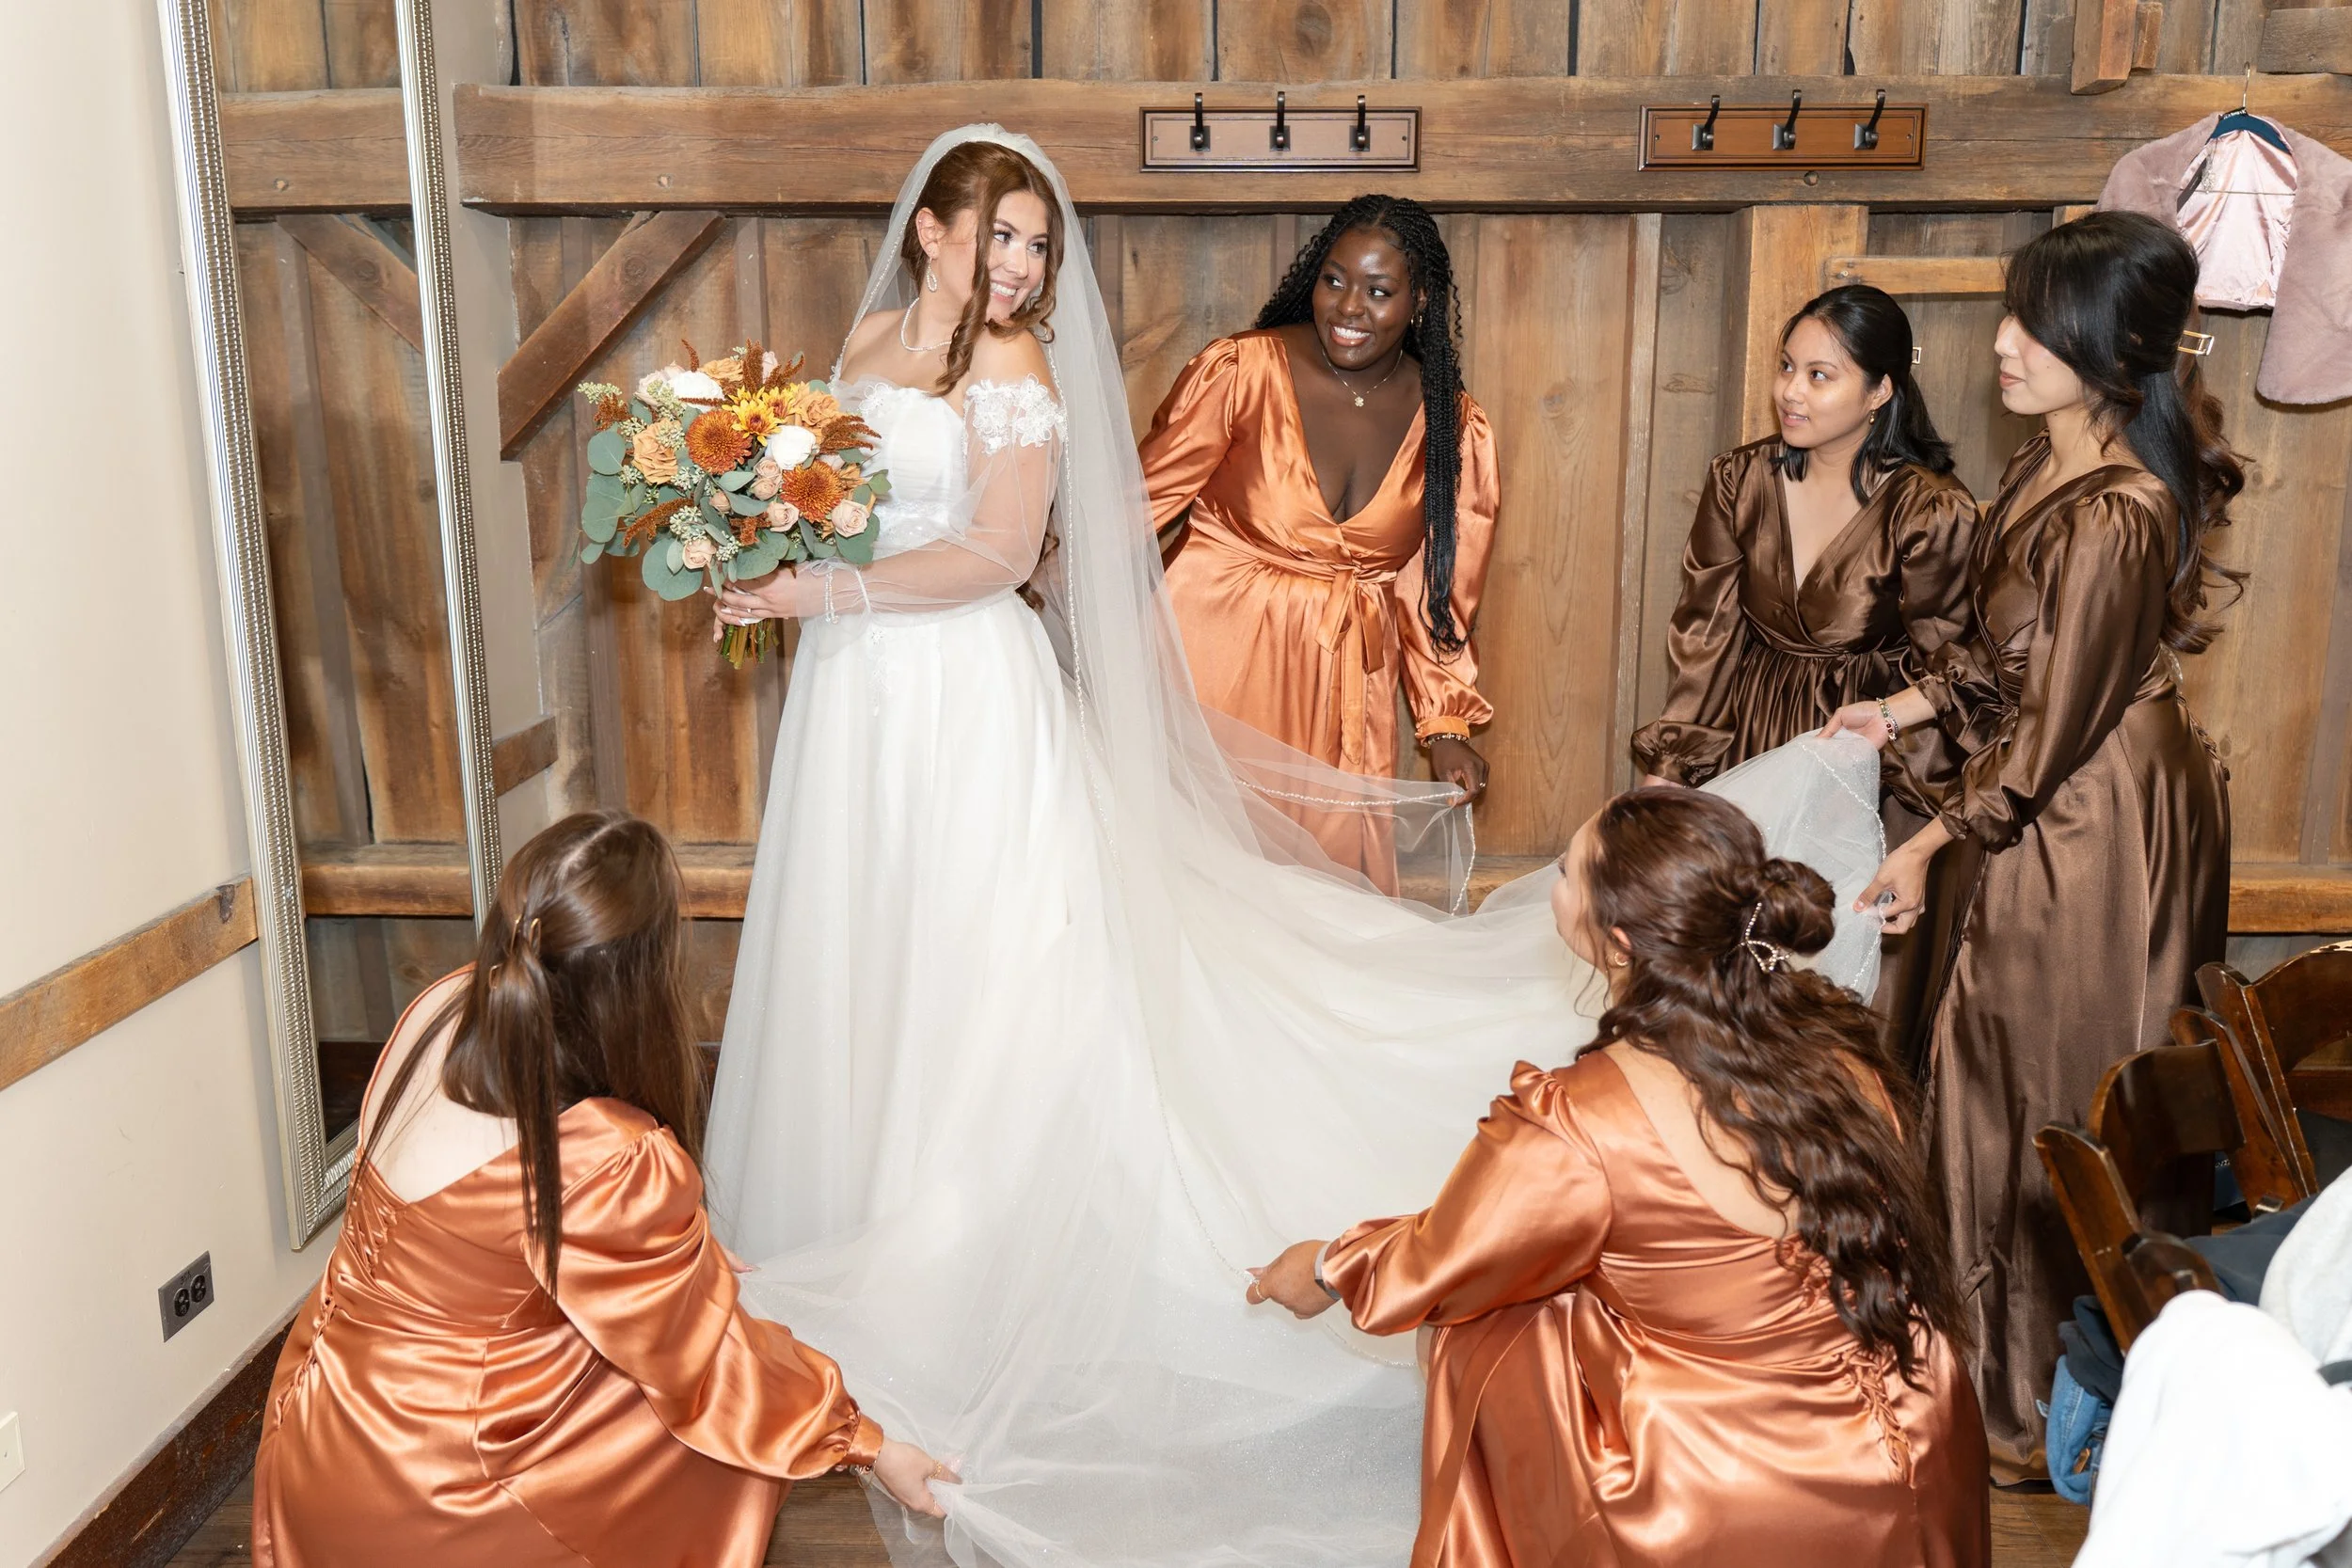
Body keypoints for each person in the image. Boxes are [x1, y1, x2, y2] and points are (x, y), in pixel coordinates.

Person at [701, 124, 1889, 1568]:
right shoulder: (975, 349)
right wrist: (764, 549)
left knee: (1069, 942)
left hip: (1237, 677)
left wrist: (1451, 714)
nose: (1021, 266)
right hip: (996, 673)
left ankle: (990, 1218)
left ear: (1417, 306)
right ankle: (872, 1191)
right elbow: (1107, 519)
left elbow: (1413, 580)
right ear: (936, 232)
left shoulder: (1393, 415)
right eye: (1002, 238)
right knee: (873, 936)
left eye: (1038, 244)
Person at [1251, 787, 1990, 1568]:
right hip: (1924, 1436)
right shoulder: (1842, 1049)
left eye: (1565, 871)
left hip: (1736, 1488)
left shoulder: (1580, 1118)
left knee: (1497, 1320)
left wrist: (1329, 1265)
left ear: (1617, 941)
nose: (1550, 882)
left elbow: (1442, 1260)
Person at [250, 812, 953, 1568]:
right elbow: (713, 1365)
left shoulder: (445, 1007)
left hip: (312, 1430)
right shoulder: (604, 1156)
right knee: (687, 1424)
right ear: (634, 986)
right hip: (431, 1496)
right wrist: (866, 1442)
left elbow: (493, 1249)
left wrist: (680, 1254)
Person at [1825, 211, 2241, 1481]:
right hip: (2036, 798)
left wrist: (1931, 843)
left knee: (2044, 1079)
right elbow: (2000, 658)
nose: (2001, 343)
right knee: (1980, 1066)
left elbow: (2058, 718)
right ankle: (1971, 1363)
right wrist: (1894, 706)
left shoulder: (2117, 511)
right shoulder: (2042, 466)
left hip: (2092, 816)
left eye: (2032, 325)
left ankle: (2033, 1396)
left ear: (2110, 350)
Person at [1632, 285, 1978, 1066]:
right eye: (1787, 366)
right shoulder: (1740, 479)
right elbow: (1705, 632)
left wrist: (1915, 799)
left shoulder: (1930, 509)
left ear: (1881, 390)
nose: (1791, 390)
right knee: (1730, 982)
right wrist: (1671, 769)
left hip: (1868, 758)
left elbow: (1959, 659)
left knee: (1840, 1000)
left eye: (1821, 375)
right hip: (1751, 739)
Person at [1138, 197, 1499, 883]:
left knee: (1325, 893)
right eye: (1334, 280)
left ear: (1420, 300)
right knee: (1203, 881)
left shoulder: (1452, 427)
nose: (1348, 308)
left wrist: (1445, 724)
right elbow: (1138, 501)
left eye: (1379, 291)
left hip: (1343, 690)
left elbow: (1434, 590)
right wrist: (1048, 601)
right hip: (1210, 667)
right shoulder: (1241, 372)